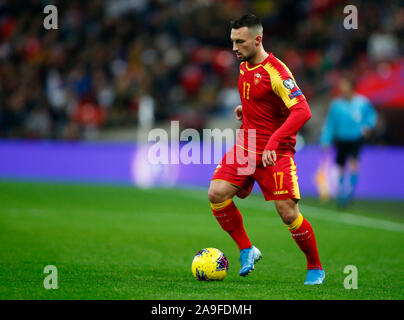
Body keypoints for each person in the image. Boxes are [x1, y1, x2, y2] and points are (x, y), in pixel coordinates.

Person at [207, 14, 324, 285]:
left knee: (288, 212)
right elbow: (261, 99)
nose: (234, 47)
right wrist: (245, 109)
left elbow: (302, 111)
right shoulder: (245, 64)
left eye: (240, 42)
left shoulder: (278, 72)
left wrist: (273, 140)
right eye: (232, 41)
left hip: (276, 152)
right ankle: (247, 249)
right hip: (246, 147)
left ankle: (315, 267)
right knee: (217, 193)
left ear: (257, 40)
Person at [320, 77, 377, 207]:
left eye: (344, 85)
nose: (342, 88)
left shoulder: (362, 103)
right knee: (340, 166)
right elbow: (330, 124)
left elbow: (372, 116)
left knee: (354, 164)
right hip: (341, 139)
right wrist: (325, 139)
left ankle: (350, 193)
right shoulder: (336, 105)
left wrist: (368, 126)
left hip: (356, 138)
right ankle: (341, 193)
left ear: (351, 86)